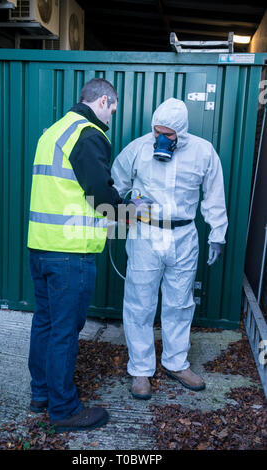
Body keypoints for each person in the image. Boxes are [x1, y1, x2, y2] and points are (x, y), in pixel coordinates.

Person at [111, 97, 228, 399]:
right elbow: (114, 185)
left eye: (168, 134)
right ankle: (140, 370)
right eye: (156, 132)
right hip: (146, 233)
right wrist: (128, 205)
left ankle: (176, 363)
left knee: (180, 303)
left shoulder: (203, 152)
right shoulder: (138, 148)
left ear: (182, 133)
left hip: (184, 235)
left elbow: (214, 194)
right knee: (139, 304)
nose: (161, 139)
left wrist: (218, 234)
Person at [27, 78, 123, 433]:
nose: (112, 116)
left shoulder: (53, 131)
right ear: (101, 101)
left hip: (41, 245)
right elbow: (100, 193)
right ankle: (64, 409)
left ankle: (41, 395)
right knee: (65, 331)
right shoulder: (88, 133)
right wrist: (128, 209)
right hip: (71, 252)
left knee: (46, 323)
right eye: (112, 109)